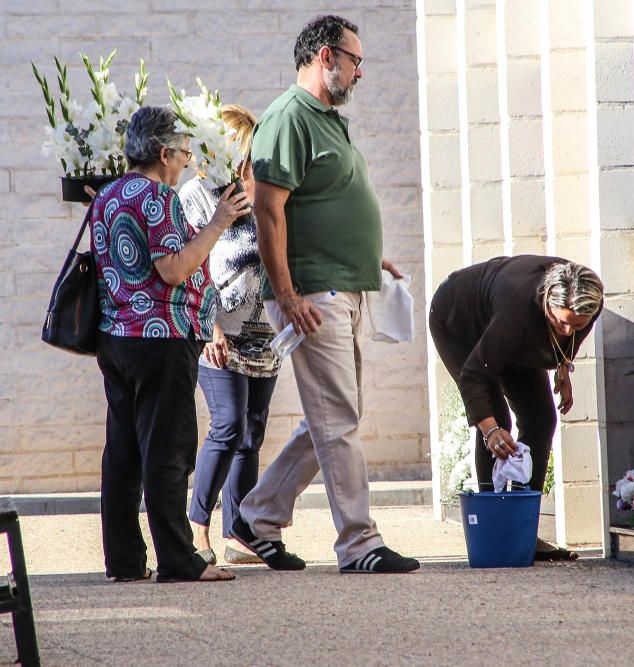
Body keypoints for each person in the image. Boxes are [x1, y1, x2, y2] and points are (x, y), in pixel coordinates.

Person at [232, 15, 420, 574]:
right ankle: (359, 544)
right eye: (355, 60)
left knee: (336, 413)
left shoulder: (329, 121)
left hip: (344, 282)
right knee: (338, 417)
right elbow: (268, 210)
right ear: (325, 57)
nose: (361, 72)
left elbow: (327, 201)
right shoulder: (289, 117)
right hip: (311, 293)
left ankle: (258, 515)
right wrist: (286, 295)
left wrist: (367, 256)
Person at [92, 105, 250, 582]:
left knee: (122, 452)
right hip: (159, 339)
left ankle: (123, 560)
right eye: (183, 153)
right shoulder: (158, 198)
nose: (186, 162)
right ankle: (179, 560)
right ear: (163, 154)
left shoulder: (108, 195)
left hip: (116, 338)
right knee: (167, 450)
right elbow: (173, 268)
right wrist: (219, 221)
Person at [429, 256, 604, 561]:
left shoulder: (589, 301)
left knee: (541, 419)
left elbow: (571, 333)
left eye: (576, 324)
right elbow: (474, 374)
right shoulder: (518, 311)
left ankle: (523, 531)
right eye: (559, 320)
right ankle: (491, 528)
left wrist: (563, 366)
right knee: (497, 417)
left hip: (509, 329)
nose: (566, 330)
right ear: (546, 301)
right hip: (458, 319)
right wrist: (490, 429)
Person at [179, 105, 278, 567]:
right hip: (219, 330)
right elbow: (192, 266)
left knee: (252, 433)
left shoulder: (262, 192)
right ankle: (196, 527)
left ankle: (240, 533)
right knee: (229, 425)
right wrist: (211, 326)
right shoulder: (197, 195)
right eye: (244, 149)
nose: (246, 160)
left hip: (267, 332)